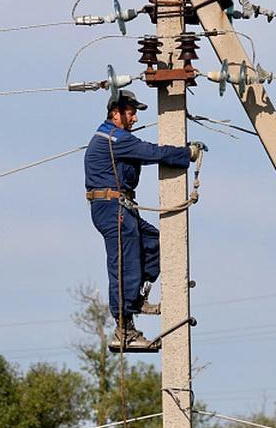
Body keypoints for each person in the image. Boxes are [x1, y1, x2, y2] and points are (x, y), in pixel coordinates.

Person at [85, 89, 205, 351]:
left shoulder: (116, 137)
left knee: (154, 242)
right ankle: (124, 328)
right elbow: (151, 152)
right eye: (131, 113)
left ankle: (135, 298)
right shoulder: (113, 138)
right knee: (124, 262)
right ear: (115, 114)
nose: (135, 119)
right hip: (111, 207)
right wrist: (187, 154)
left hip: (121, 206)